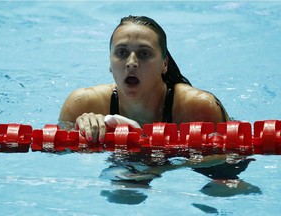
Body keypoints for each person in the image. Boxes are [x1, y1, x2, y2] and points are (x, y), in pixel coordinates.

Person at [59, 15, 230, 143]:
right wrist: (81, 130)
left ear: (164, 64)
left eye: (144, 54)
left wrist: (154, 162)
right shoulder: (81, 105)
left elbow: (230, 166)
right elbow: (58, 154)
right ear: (110, 62)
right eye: (121, 53)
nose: (131, 63)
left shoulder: (197, 107)